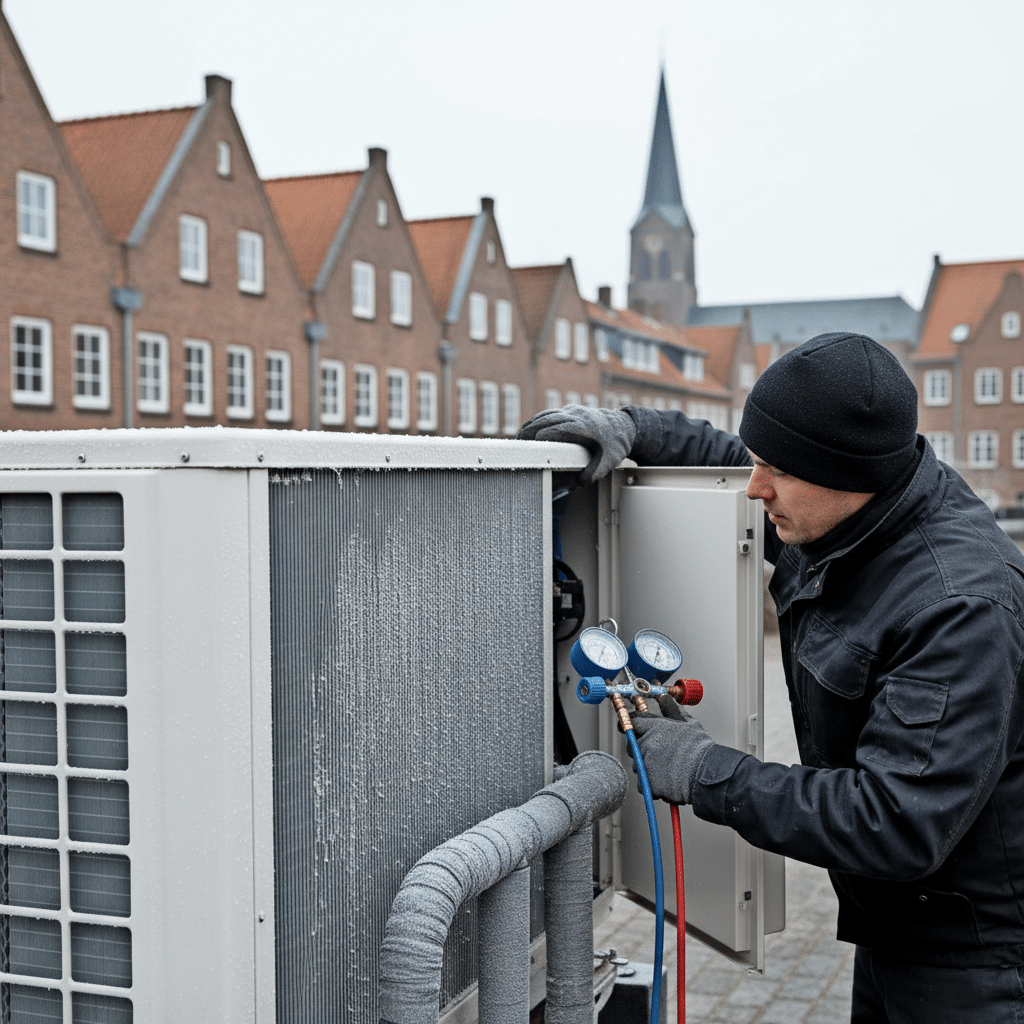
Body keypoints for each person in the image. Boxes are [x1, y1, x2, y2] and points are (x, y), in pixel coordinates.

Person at [518, 332, 1024, 1024]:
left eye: (775, 473)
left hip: (974, 963)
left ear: (850, 475)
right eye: (760, 463)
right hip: (899, 928)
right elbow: (730, 459)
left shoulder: (958, 606)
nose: (753, 490)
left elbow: (897, 822)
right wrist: (633, 428)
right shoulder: (849, 510)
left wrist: (704, 772)